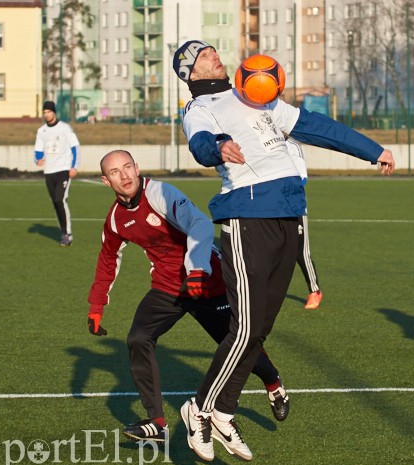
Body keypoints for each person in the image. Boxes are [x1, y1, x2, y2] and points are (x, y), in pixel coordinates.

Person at [173, 41, 395, 462]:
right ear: (189, 72)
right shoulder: (198, 109)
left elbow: (314, 126)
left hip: (288, 217)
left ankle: (222, 409)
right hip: (247, 217)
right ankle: (199, 408)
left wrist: (373, 150)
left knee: (257, 332)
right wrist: (217, 147)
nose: (214, 56)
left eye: (213, 50)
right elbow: (200, 143)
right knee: (244, 328)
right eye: (203, 56)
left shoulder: (254, 92)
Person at [86, 150, 290, 444]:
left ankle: (273, 383)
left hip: (207, 280)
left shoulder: (160, 193)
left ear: (137, 166)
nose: (125, 175)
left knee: (239, 345)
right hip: (168, 287)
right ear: (106, 181)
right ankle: (156, 421)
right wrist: (96, 305)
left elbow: (201, 224)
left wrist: (196, 269)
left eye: (128, 167)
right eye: (116, 172)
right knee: (138, 338)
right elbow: (108, 258)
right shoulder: (116, 219)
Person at [34, 100, 80, 246]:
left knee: (60, 199)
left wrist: (74, 167)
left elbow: (75, 147)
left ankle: (67, 234)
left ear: (54, 112)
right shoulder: (42, 131)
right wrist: (38, 159)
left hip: (63, 169)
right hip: (49, 171)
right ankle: (64, 231)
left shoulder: (65, 128)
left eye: (49, 112)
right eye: (44, 112)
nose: (46, 115)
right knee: (55, 202)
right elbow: (38, 150)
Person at [287, 138, 323, 309]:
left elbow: (302, 179)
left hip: (295, 208)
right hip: (271, 209)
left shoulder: (293, 147)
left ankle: (314, 290)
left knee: (301, 252)